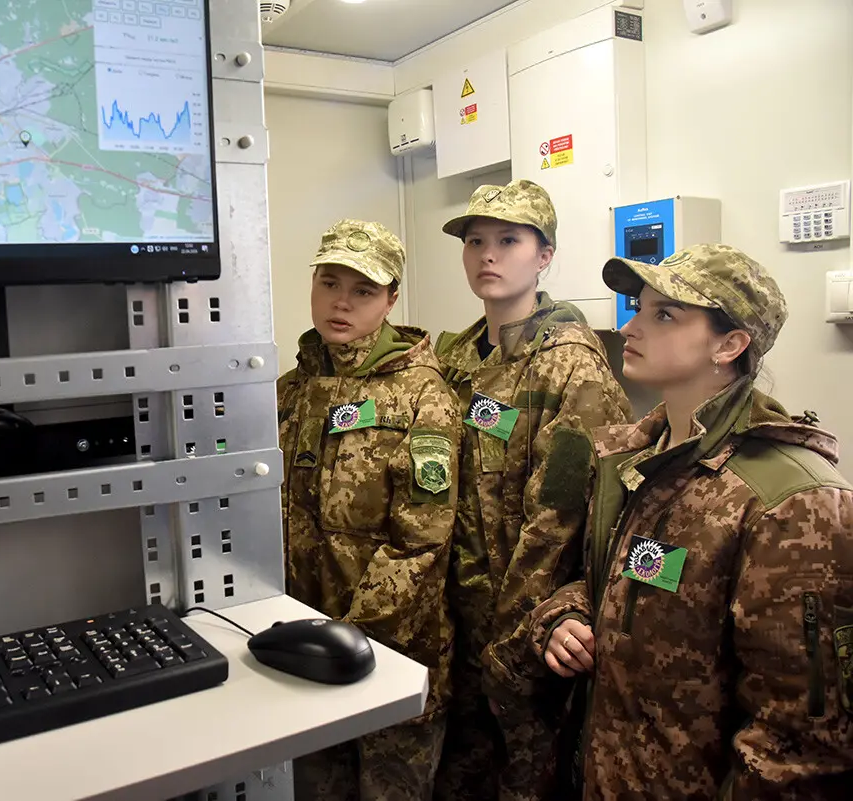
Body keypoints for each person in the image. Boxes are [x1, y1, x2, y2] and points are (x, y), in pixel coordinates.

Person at [528, 243, 853, 799]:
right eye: (638, 306)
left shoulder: (791, 500)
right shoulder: (638, 457)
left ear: (730, 344)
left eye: (665, 315)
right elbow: (611, 583)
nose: (632, 326)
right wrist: (562, 616)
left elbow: (798, 745)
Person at [431, 179, 632, 801]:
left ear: (543, 256)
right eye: (476, 241)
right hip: (454, 618)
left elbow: (562, 517)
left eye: (509, 241)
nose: (487, 255)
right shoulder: (457, 356)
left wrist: (512, 639)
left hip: (523, 632)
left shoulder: (572, 365)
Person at [278, 219, 463, 799]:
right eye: (330, 283)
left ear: (391, 300)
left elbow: (423, 538)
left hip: (390, 645)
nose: (341, 302)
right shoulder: (292, 388)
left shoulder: (421, 395)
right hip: (301, 638)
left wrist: (356, 634)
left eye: (363, 290)